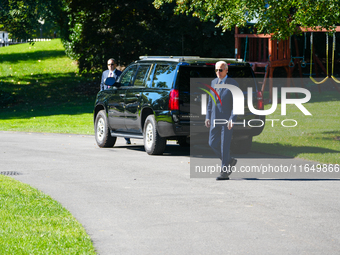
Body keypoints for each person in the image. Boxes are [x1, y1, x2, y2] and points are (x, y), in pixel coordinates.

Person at [205, 61, 237, 180]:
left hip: (226, 120)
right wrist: (208, 117)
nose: (218, 72)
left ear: (226, 70)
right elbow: (210, 102)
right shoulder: (213, 82)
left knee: (224, 145)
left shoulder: (233, 84)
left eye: (221, 70)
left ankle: (224, 172)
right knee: (212, 143)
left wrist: (232, 119)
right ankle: (229, 160)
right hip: (214, 118)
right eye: (216, 70)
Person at [100, 58, 131, 145]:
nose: (110, 66)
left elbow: (122, 84)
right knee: (106, 118)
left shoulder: (120, 74)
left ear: (116, 65)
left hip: (116, 98)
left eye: (112, 64)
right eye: (109, 64)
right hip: (106, 99)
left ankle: (127, 138)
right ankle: (106, 136)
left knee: (119, 117)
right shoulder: (105, 73)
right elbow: (102, 84)